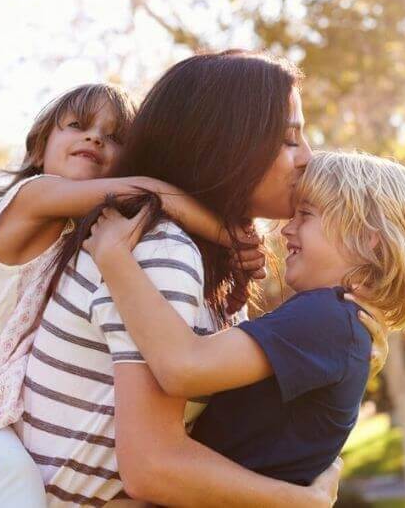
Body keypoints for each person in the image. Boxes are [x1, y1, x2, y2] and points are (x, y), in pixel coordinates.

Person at [0, 83, 254, 507]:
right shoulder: (28, 199)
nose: (95, 138)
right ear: (37, 151)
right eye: (78, 126)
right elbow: (147, 192)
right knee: (10, 474)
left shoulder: (83, 239)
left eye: (114, 136)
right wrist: (232, 239)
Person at [20, 51, 350, 506]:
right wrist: (302, 502)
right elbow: (153, 469)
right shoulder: (161, 249)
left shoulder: (193, 255)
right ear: (228, 143)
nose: (307, 157)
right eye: (289, 138)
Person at [84, 150, 405, 485]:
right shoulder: (342, 325)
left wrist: (114, 257)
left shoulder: (327, 316)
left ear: (369, 241)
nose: (286, 229)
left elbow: (183, 367)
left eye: (306, 215)